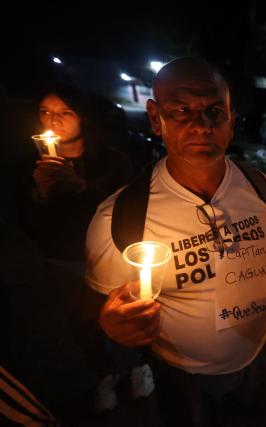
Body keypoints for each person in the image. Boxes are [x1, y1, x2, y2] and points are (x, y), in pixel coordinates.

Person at [85, 57, 266, 427]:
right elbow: (107, 304)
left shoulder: (260, 187)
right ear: (155, 118)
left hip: (259, 358)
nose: (201, 125)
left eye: (215, 110)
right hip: (182, 372)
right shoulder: (118, 217)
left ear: (231, 117)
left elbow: (259, 262)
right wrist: (112, 325)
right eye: (182, 110)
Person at [15, 84, 137, 412]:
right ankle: (100, 377)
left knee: (118, 320)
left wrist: (80, 187)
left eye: (65, 112)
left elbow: (125, 212)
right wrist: (42, 195)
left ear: (83, 117)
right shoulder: (31, 165)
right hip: (59, 261)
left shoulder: (111, 161)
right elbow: (28, 224)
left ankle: (129, 369)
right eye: (45, 112)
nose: (54, 120)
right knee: (78, 324)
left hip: (105, 260)